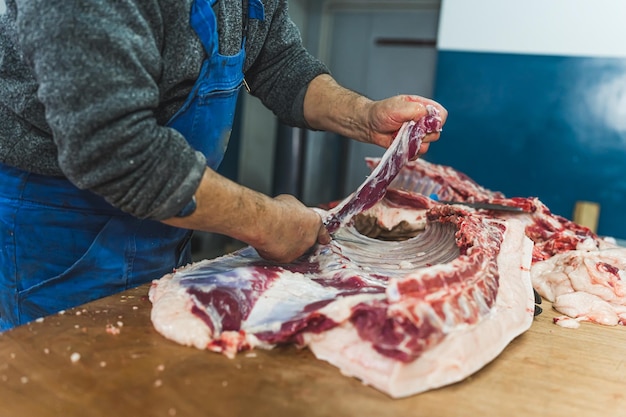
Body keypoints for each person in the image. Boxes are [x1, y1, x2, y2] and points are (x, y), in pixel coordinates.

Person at [0, 0, 446, 331]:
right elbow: (116, 152)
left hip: (167, 214)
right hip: (57, 232)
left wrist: (364, 116)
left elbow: (278, 63)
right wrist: (268, 223)